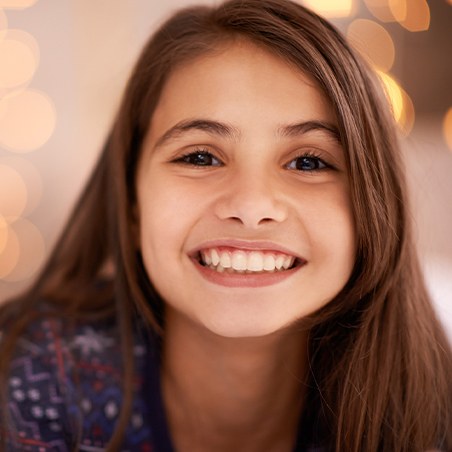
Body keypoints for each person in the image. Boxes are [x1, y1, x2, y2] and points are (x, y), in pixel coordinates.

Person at [0, 0, 451, 450]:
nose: (251, 205)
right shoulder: (22, 381)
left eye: (309, 161)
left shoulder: (434, 414)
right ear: (132, 202)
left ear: (373, 209)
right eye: (199, 156)